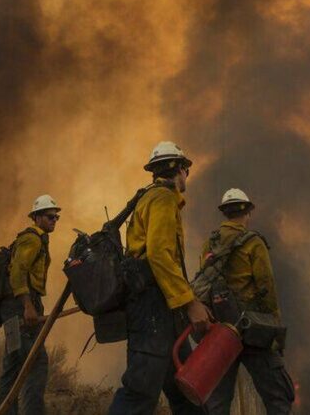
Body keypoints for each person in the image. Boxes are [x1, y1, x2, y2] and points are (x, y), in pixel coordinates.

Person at [108, 141, 211, 415]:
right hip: (153, 310)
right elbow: (159, 256)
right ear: (179, 169)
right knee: (139, 394)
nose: (186, 175)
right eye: (185, 169)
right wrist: (190, 303)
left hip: (164, 312)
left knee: (188, 394)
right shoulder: (163, 198)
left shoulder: (150, 197)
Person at [199, 189, 295, 415]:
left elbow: (204, 281)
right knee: (278, 396)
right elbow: (266, 285)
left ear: (225, 213)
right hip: (253, 331)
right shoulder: (254, 243)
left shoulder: (209, 243)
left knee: (217, 402)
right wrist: (274, 321)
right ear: (247, 213)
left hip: (221, 331)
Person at [0, 194, 61, 415]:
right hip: (19, 308)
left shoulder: (39, 239)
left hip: (18, 308)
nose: (54, 220)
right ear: (37, 217)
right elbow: (17, 272)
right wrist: (27, 306)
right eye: (50, 216)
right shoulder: (31, 239)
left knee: (13, 367)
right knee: (36, 363)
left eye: (56, 217)